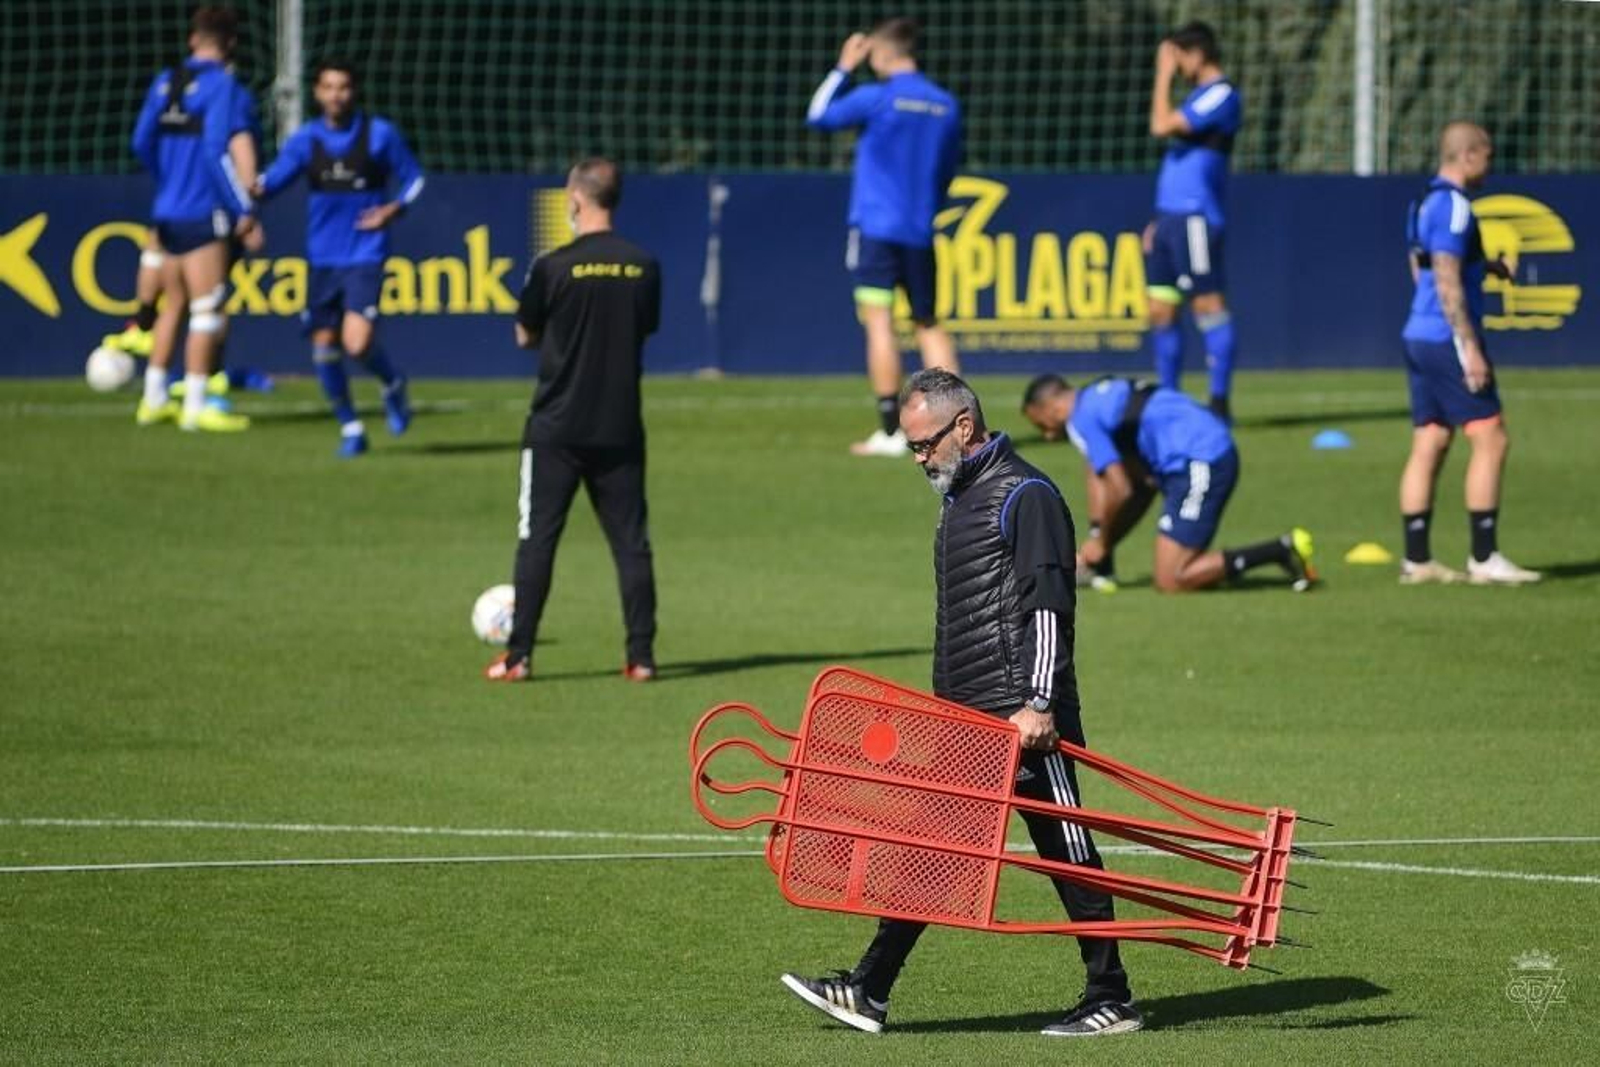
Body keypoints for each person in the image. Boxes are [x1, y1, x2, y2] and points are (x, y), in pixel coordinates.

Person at [781, 369, 1142, 1039]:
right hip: (970, 717)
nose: (920, 459)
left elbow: (1051, 606)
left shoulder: (1024, 494)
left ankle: (1111, 994)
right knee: (933, 849)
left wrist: (1039, 703)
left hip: (1020, 717)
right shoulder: (964, 498)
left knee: (1066, 849)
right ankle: (870, 989)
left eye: (925, 444)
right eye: (914, 447)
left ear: (965, 428)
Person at [485, 158, 660, 683]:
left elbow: (523, 334)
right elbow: (644, 327)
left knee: (537, 539)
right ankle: (642, 657)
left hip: (556, 429)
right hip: (619, 427)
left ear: (576, 198)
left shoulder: (553, 265)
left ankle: (518, 657)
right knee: (631, 543)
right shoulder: (643, 264)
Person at [806, 16, 962, 457]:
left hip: (877, 227)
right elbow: (949, 168)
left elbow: (816, 116)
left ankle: (892, 432)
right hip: (919, 228)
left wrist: (842, 68)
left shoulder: (878, 96)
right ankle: (959, 428)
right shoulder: (944, 104)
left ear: (883, 53)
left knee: (879, 322)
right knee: (928, 322)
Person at [255, 58, 421, 457]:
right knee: (324, 347)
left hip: (365, 254)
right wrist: (249, 184)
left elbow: (415, 179)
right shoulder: (304, 141)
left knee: (358, 342)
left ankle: (393, 383)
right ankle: (351, 427)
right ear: (316, 92)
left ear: (354, 91)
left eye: (343, 87)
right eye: (328, 87)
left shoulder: (380, 135)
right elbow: (270, 184)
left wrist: (392, 209)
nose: (336, 95)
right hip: (322, 259)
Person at [1397, 122, 1540, 586]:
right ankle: (1484, 557)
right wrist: (1469, 347)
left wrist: (1490, 267)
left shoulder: (1423, 201)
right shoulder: (1456, 207)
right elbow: (1445, 277)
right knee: (1491, 436)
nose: (1491, 165)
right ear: (1470, 155)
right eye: (1489, 155)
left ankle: (1417, 560)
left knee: (1431, 441)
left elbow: (1420, 266)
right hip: (1445, 339)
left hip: (1418, 333)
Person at [1022, 374, 1314, 593]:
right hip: (1192, 454)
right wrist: (1102, 543)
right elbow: (1133, 488)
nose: (1047, 435)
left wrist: (1099, 541)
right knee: (1119, 480)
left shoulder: (1081, 420)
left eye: (1041, 424)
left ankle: (1281, 550)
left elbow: (1119, 487)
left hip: (1201, 458)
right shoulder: (1098, 395)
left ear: (1054, 408)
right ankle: (1101, 564)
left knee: (1172, 578)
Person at [129, 3, 259, 433]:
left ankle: (152, 399)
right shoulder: (221, 84)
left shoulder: (167, 80)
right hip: (202, 211)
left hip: (165, 209)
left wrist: (168, 179)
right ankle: (196, 406)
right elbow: (214, 150)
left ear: (192, 38)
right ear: (231, 43)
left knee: (174, 305)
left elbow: (141, 141)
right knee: (207, 308)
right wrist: (243, 208)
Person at [1144, 21, 1241, 421]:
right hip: (1170, 219)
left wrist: (1163, 74)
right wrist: (1160, 220)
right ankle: (1169, 400)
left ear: (1196, 53)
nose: (1175, 65)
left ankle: (1219, 403)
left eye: (1178, 56)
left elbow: (1161, 125)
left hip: (1196, 218)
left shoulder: (1221, 94)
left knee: (1208, 306)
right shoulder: (1199, 98)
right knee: (1160, 311)